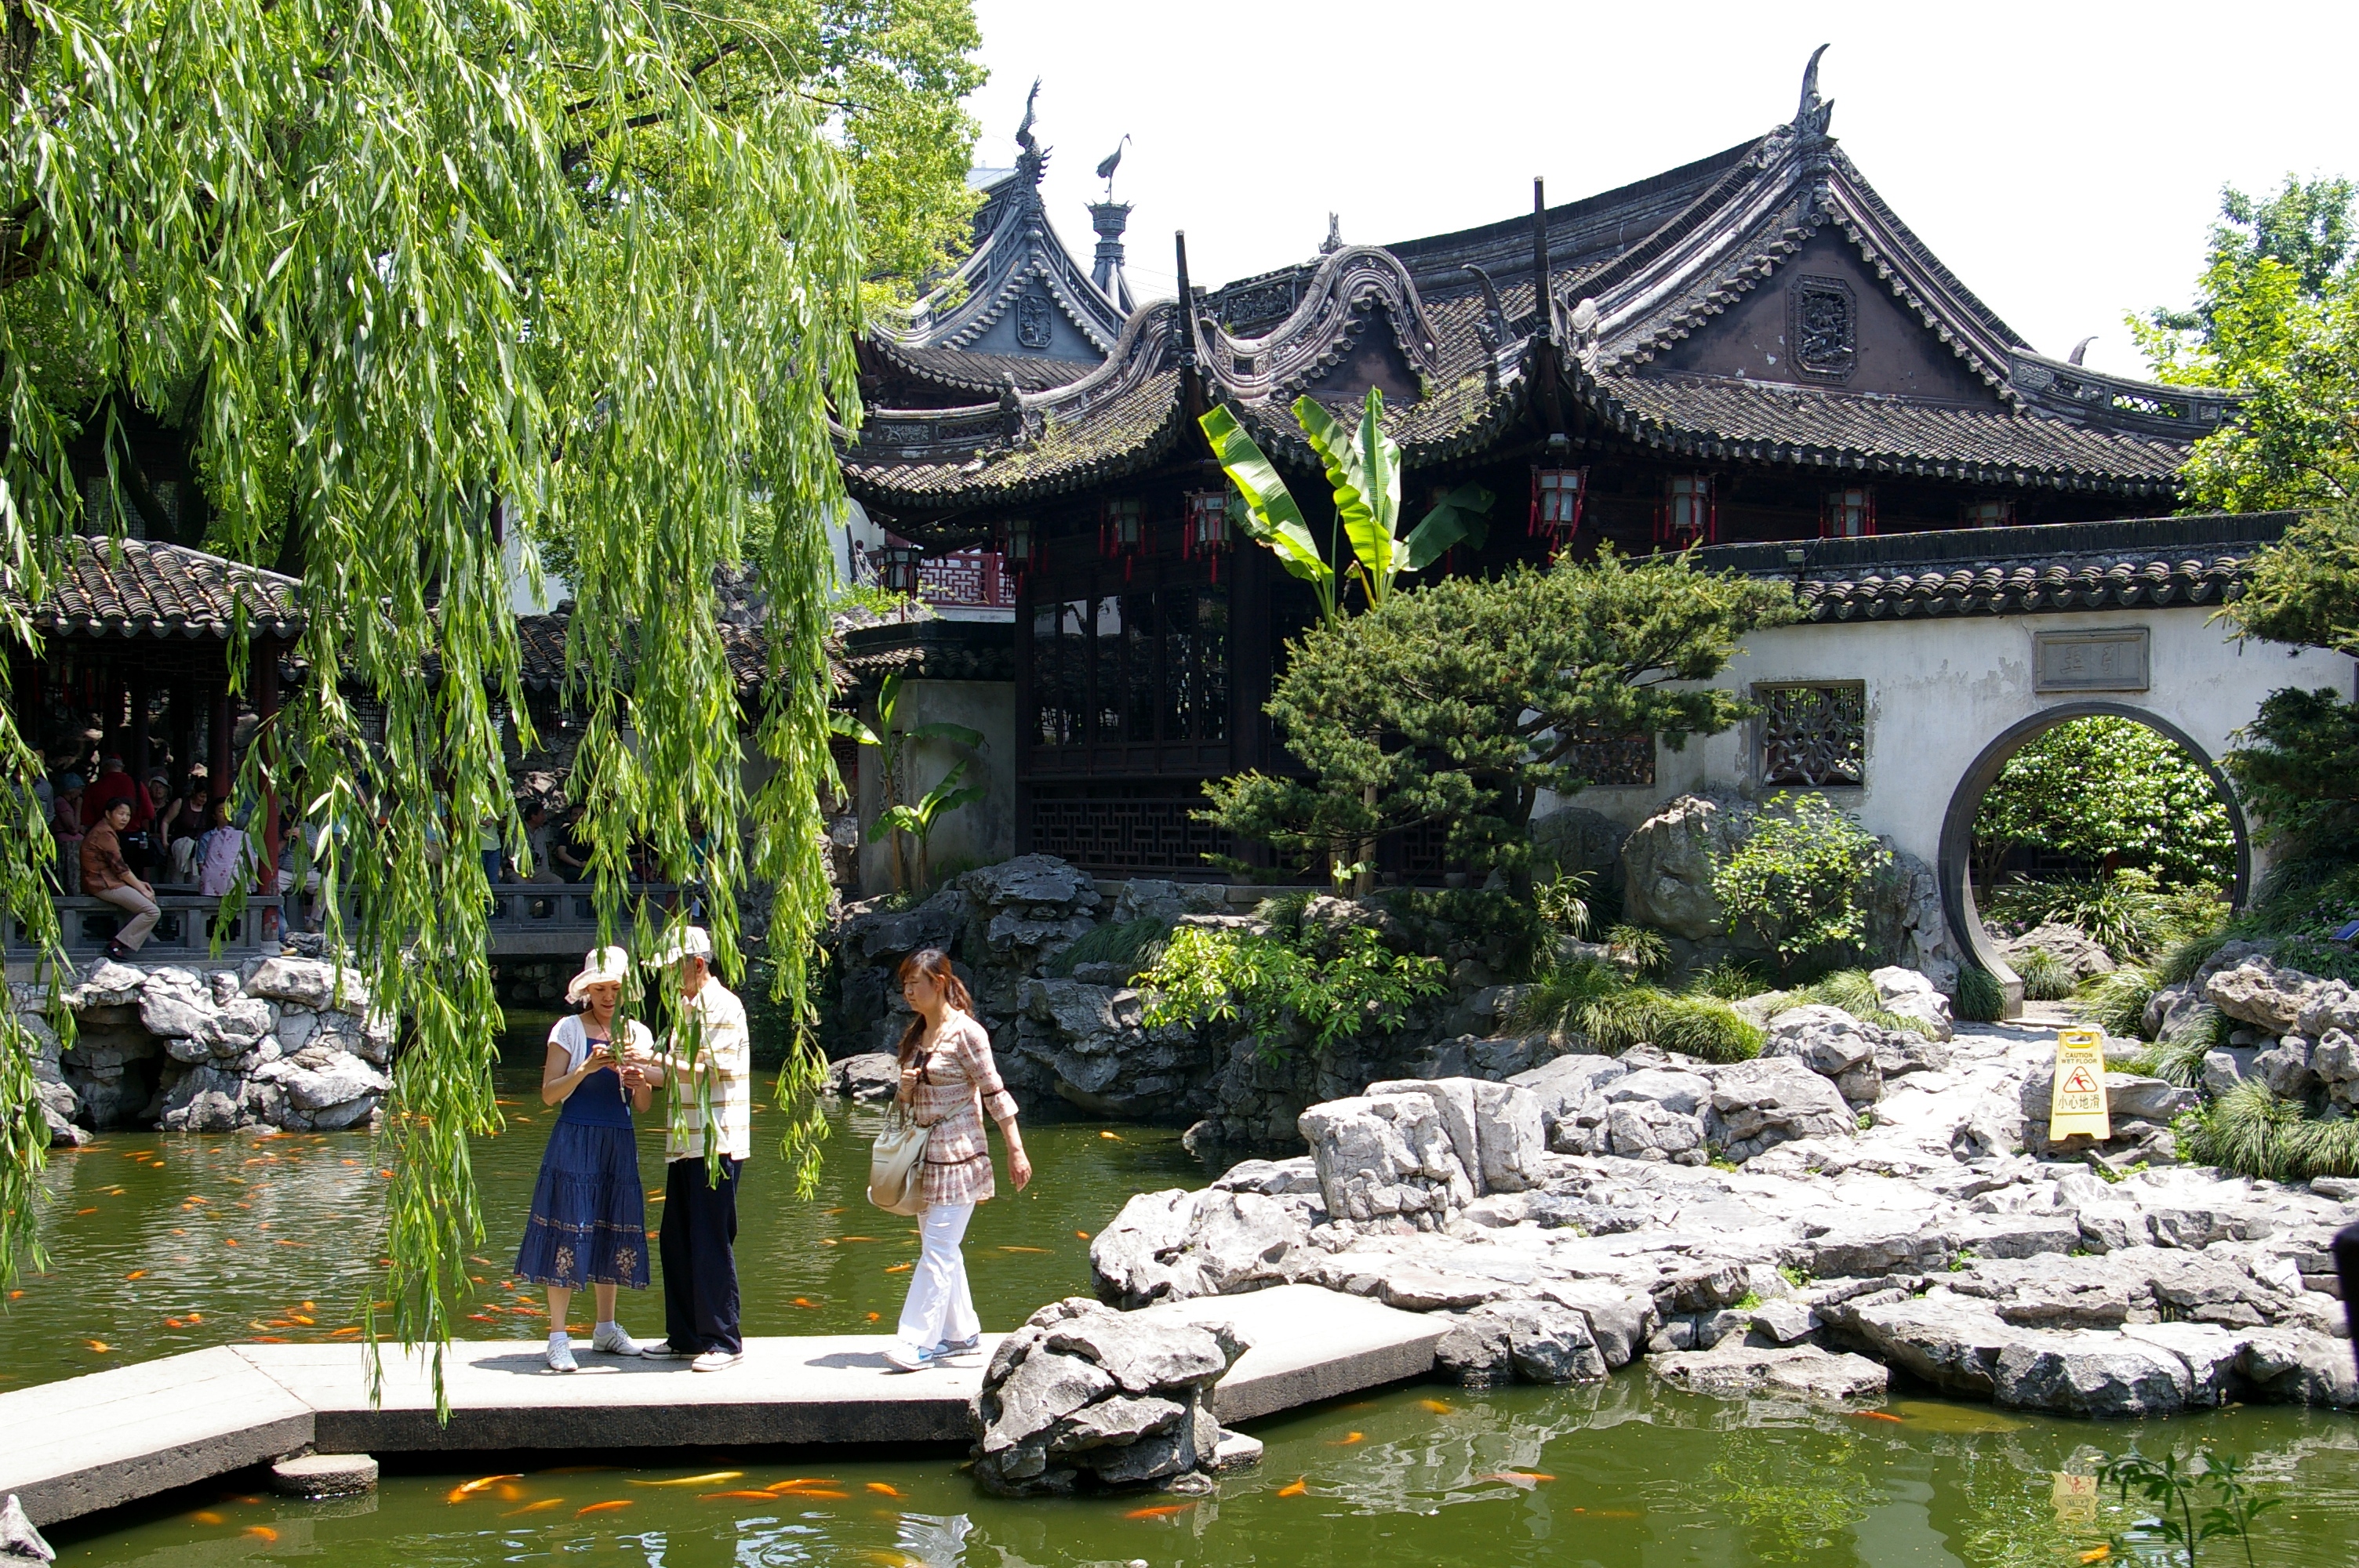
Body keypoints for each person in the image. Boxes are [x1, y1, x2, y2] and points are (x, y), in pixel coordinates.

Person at [883, 947, 1029, 1374]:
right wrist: (906, 1088)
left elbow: (994, 1092)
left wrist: (1015, 1149)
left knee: (938, 1252)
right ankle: (961, 1335)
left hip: (960, 1157)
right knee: (941, 1249)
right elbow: (904, 1106)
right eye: (905, 984)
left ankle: (916, 1342)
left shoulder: (968, 1033)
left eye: (916, 983)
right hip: (922, 1159)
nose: (908, 991)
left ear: (940, 984)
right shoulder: (917, 1035)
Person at [514, 946, 655, 1372]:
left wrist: (636, 1078)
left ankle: (606, 1328)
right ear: (586, 991)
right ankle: (558, 1336)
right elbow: (549, 1093)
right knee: (568, 1226)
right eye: (600, 989)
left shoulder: (637, 1033)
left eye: (615, 988)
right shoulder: (569, 1029)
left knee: (612, 1225)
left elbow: (644, 1104)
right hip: (576, 1137)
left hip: (619, 1138)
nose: (608, 996)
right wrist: (586, 1070)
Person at [626, 927, 751, 1372]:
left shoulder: (722, 1005)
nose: (668, 979)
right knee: (677, 1241)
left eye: (673, 969)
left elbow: (712, 1072)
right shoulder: (685, 1007)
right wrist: (642, 1074)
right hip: (685, 1142)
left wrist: (654, 1061)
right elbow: (678, 1076)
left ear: (698, 965)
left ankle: (723, 1340)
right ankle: (684, 1336)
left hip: (716, 1141)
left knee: (710, 1241)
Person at [81, 798, 159, 960]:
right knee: (152, 911)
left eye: (128, 815)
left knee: (147, 901)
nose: (124, 818)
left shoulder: (106, 830)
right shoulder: (104, 833)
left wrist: (140, 884)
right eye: (120, 814)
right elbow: (121, 869)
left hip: (109, 881)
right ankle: (116, 945)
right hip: (103, 884)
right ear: (108, 814)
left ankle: (139, 939)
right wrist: (141, 889)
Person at [194, 800, 250, 897]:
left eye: (229, 810)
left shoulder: (242, 836)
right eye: (221, 811)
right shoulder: (208, 837)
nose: (226, 814)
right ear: (214, 816)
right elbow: (201, 864)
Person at [49, 774, 85, 894]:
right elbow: (73, 828)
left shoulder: (68, 803)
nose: (80, 793)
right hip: (67, 844)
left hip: (73, 843)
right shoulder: (61, 803)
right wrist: (79, 808)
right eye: (79, 789)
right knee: (71, 874)